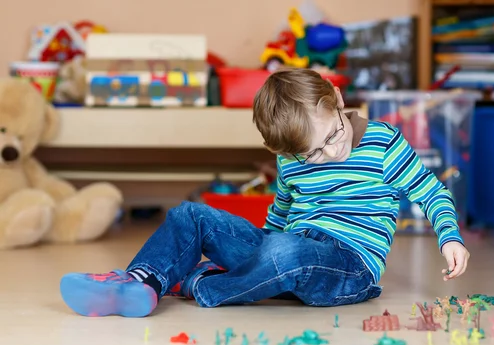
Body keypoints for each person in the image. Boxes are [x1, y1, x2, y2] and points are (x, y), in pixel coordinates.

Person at [59, 68, 470, 318]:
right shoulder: (292, 158)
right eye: (312, 153)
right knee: (191, 213)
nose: (329, 154)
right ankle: (142, 281)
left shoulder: (383, 143)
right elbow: (282, 209)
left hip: (349, 267)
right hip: (286, 248)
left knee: (283, 254)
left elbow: (432, 192)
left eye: (333, 135)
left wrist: (450, 236)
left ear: (338, 101)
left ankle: (202, 286)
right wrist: (252, 244)